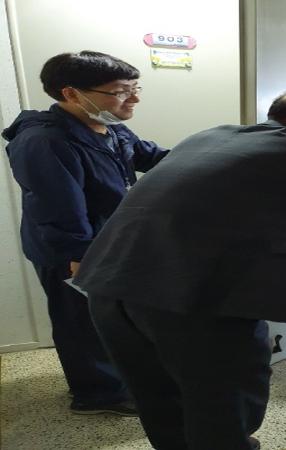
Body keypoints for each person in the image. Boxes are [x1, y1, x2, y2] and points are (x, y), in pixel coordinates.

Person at [72, 85, 286, 450]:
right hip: (195, 295)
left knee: (156, 390)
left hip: (111, 282)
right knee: (225, 394)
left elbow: (229, 199)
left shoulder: (213, 136)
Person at [2, 51, 169, 414]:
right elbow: (57, 208)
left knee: (110, 318)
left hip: (107, 240)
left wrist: (209, 156)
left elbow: (152, 157)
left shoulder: (109, 126)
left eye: (135, 88)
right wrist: (79, 257)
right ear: (72, 94)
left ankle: (119, 379)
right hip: (71, 249)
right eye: (121, 91)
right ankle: (97, 395)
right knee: (81, 322)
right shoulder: (45, 141)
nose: (134, 99)